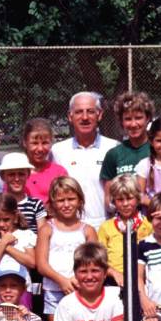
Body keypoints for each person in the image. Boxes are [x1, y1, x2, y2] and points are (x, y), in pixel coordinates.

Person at [51, 91, 119, 228]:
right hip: (70, 228)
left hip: (105, 226)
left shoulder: (113, 148)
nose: (85, 117)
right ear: (70, 116)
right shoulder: (57, 151)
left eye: (90, 112)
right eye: (78, 112)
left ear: (99, 115)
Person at [36, 176, 98, 318]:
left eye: (71, 199)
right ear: (53, 203)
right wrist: (61, 281)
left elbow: (95, 263)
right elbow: (41, 264)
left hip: (81, 290)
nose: (66, 204)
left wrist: (78, 280)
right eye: (61, 200)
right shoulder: (47, 229)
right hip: (53, 291)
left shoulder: (88, 231)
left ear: (80, 201)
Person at [98, 174, 153, 286]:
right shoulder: (106, 227)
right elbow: (98, 260)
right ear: (114, 201)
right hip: (114, 282)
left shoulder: (148, 225)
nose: (125, 204)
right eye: (120, 199)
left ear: (137, 199)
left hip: (143, 282)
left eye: (129, 198)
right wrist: (113, 273)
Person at [100, 92, 154, 203]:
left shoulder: (157, 150)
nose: (133, 124)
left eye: (138, 118)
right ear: (121, 121)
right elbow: (109, 199)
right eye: (128, 119)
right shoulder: (114, 154)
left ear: (147, 118)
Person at [0, 193, 37, 309]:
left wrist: (8, 248)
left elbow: (32, 262)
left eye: (6, 219)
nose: (1, 224)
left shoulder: (26, 235)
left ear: (15, 217)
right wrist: (3, 244)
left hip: (22, 291)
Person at [21, 118, 68, 203]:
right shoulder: (16, 172)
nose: (40, 149)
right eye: (34, 143)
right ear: (25, 142)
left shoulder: (59, 172)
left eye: (45, 143)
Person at [0, 152, 46, 233]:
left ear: (28, 174)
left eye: (21, 174)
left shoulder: (36, 204)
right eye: (11, 174)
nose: (17, 179)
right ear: (2, 176)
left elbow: (42, 232)